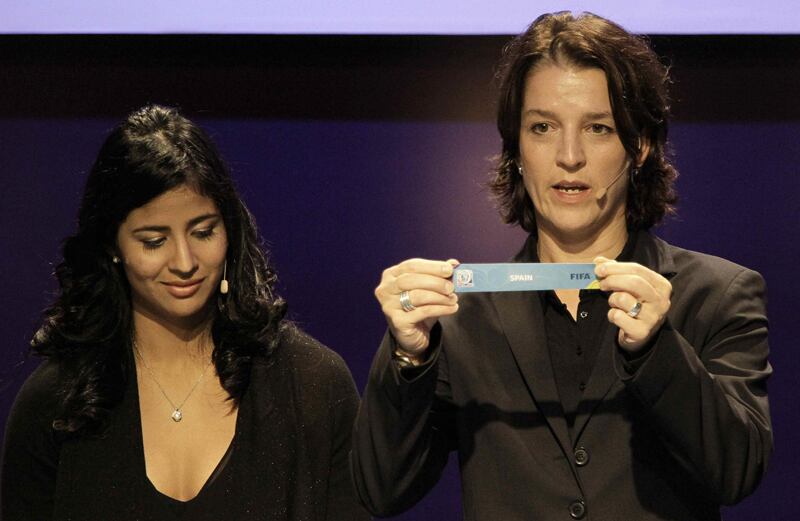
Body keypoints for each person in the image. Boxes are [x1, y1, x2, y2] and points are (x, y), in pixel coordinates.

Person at [351, 11, 772, 521]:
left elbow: (737, 472)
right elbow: (382, 490)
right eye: (543, 127)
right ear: (516, 147)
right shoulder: (459, 315)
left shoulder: (717, 294)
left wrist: (656, 350)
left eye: (598, 128)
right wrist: (409, 356)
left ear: (639, 146)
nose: (569, 156)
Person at [1, 105, 369, 520]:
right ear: (112, 247)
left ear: (229, 230)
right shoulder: (55, 403)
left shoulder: (313, 385)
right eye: (154, 241)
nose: (184, 262)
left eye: (203, 232)